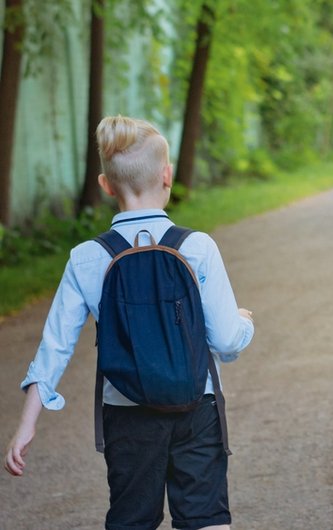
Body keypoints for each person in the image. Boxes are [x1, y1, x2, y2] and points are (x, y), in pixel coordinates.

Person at [3, 116, 255, 530]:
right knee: (206, 517)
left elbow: (55, 345)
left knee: (132, 520)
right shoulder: (197, 247)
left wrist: (26, 424)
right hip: (198, 406)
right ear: (167, 174)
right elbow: (227, 341)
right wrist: (245, 323)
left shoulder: (87, 257)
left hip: (126, 413)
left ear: (105, 185)